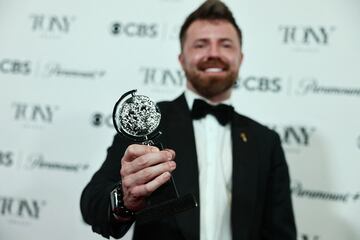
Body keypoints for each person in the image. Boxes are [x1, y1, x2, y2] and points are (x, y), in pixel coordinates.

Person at [80, 0, 297, 239]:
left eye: (225, 45)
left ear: (240, 58)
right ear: (182, 58)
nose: (213, 53)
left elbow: (280, 232)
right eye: (201, 44)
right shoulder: (145, 125)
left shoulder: (266, 141)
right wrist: (125, 199)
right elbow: (92, 204)